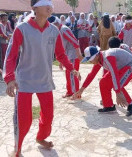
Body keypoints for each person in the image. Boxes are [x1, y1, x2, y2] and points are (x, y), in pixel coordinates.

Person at [3, 0, 79, 156]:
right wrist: (10, 78)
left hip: (44, 81)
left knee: (48, 115)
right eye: (46, 4)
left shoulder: (54, 31)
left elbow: (61, 54)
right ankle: (17, 149)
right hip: (24, 81)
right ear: (34, 8)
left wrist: (72, 68)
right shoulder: (21, 29)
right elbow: (11, 55)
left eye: (50, 4)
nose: (50, 7)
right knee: (23, 120)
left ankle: (41, 137)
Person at [72, 41, 132, 116]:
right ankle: (109, 106)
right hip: (120, 67)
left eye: (90, 59)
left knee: (118, 85)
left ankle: (131, 104)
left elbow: (114, 75)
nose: (90, 62)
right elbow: (91, 75)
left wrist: (118, 93)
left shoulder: (108, 57)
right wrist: (81, 89)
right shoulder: (98, 59)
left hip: (131, 66)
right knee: (103, 82)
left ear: (96, 56)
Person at [52, 16, 83, 98]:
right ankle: (70, 91)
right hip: (68, 55)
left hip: (73, 55)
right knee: (68, 74)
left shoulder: (64, 30)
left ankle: (76, 94)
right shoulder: (59, 31)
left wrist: (79, 54)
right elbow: (62, 48)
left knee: (73, 74)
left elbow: (75, 42)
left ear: (56, 24)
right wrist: (62, 62)